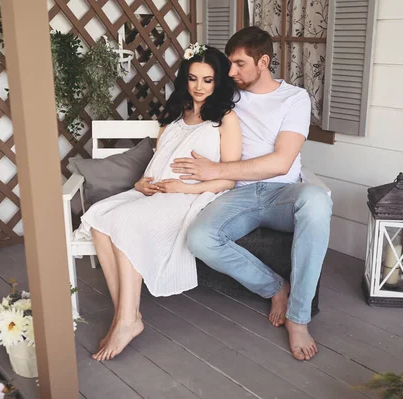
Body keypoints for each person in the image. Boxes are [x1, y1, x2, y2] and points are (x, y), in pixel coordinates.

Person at [74, 45, 242, 361]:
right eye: (193, 79)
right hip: (155, 191)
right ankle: (127, 316)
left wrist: (184, 188)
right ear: (185, 80)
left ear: (218, 81)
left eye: (208, 80)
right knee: (97, 218)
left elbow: (229, 179)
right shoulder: (175, 115)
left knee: (124, 222)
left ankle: (126, 319)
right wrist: (140, 183)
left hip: (191, 197)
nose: (200, 87)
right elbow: (159, 161)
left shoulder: (225, 119)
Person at [179, 27, 333, 361]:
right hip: (239, 195)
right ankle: (275, 287)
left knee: (318, 200)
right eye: (229, 65)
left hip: (283, 194)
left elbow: (281, 162)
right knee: (200, 238)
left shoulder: (294, 98)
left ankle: (298, 317)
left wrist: (216, 170)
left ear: (262, 62)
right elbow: (190, 100)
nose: (231, 72)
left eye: (239, 64)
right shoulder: (227, 93)